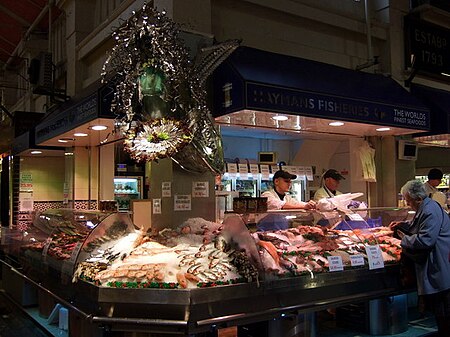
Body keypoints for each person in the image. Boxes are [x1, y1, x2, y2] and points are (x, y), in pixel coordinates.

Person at [389, 180, 450, 337]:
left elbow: (425, 239)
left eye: (408, 201)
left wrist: (400, 240)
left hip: (438, 262)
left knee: (442, 305)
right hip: (435, 262)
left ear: (417, 198)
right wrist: (404, 225)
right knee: (439, 305)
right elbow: (419, 224)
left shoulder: (429, 210)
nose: (408, 204)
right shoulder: (426, 206)